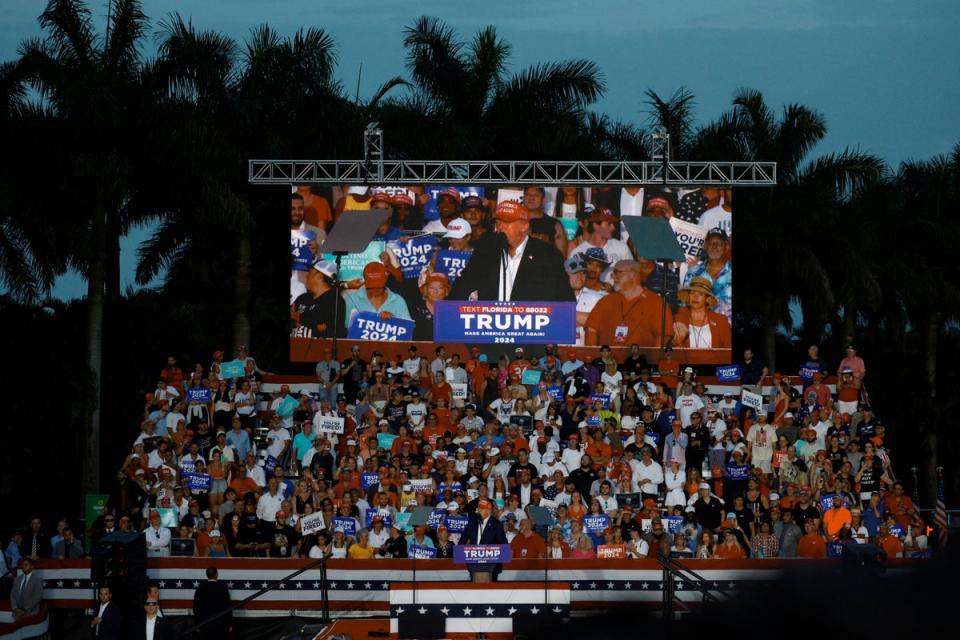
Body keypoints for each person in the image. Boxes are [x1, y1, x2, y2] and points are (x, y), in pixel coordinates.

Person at [449, 201, 574, 302]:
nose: (500, 227)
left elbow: (564, 300)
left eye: (506, 222)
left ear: (524, 226)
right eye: (498, 223)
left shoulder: (547, 255)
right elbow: (461, 289)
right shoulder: (486, 250)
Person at [584, 260, 673, 347]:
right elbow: (592, 330)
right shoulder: (605, 301)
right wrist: (594, 358)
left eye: (617, 272)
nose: (613, 277)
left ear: (633, 274)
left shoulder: (657, 303)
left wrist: (652, 360)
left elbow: (663, 337)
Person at [342, 261, 412, 330]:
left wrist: (393, 319)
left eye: (379, 286)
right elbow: (347, 329)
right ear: (364, 282)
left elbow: (408, 330)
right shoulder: (352, 299)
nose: (375, 290)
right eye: (371, 287)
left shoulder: (398, 301)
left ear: (385, 281)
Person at [683, 227, 731, 319]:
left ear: (727, 246)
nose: (714, 246)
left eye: (719, 243)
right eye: (710, 243)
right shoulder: (693, 272)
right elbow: (684, 303)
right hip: (699, 328)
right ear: (705, 246)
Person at [672, 276, 731, 350]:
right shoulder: (677, 318)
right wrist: (676, 341)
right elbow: (668, 350)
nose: (695, 297)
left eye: (700, 294)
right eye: (692, 293)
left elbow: (728, 349)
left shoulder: (721, 320)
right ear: (688, 296)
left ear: (707, 299)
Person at [291, 260, 342, 338]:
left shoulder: (334, 301)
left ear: (320, 277)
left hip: (318, 349)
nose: (306, 275)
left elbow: (327, 329)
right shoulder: (303, 298)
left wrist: (300, 318)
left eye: (310, 271)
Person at [460, 498, 508, 582]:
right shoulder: (472, 522)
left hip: (491, 564)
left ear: (489, 511)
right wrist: (460, 550)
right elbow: (462, 541)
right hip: (473, 562)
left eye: (482, 508)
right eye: (479, 508)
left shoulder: (496, 524)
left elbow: (503, 544)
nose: (478, 510)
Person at [193, 566, 232, 640]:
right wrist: (229, 624)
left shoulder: (200, 588)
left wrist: (197, 624)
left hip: (205, 624)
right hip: (221, 625)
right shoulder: (222, 587)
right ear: (217, 574)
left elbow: (196, 607)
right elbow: (228, 606)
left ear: (207, 575)